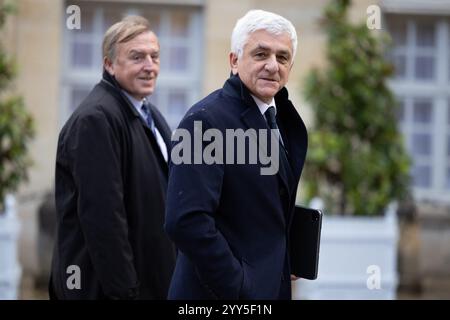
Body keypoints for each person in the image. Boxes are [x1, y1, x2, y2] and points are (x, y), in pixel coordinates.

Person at [164, 10, 308, 300]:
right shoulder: (204, 121)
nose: (272, 65)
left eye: (282, 58)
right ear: (233, 61)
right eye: (260, 54)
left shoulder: (279, 119)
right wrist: (240, 286)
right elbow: (186, 221)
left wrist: (283, 258)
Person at [49, 16, 175, 299]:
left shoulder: (151, 115)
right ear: (109, 64)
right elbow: (104, 220)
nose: (149, 66)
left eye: (154, 57)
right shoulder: (95, 120)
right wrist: (126, 293)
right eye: (137, 57)